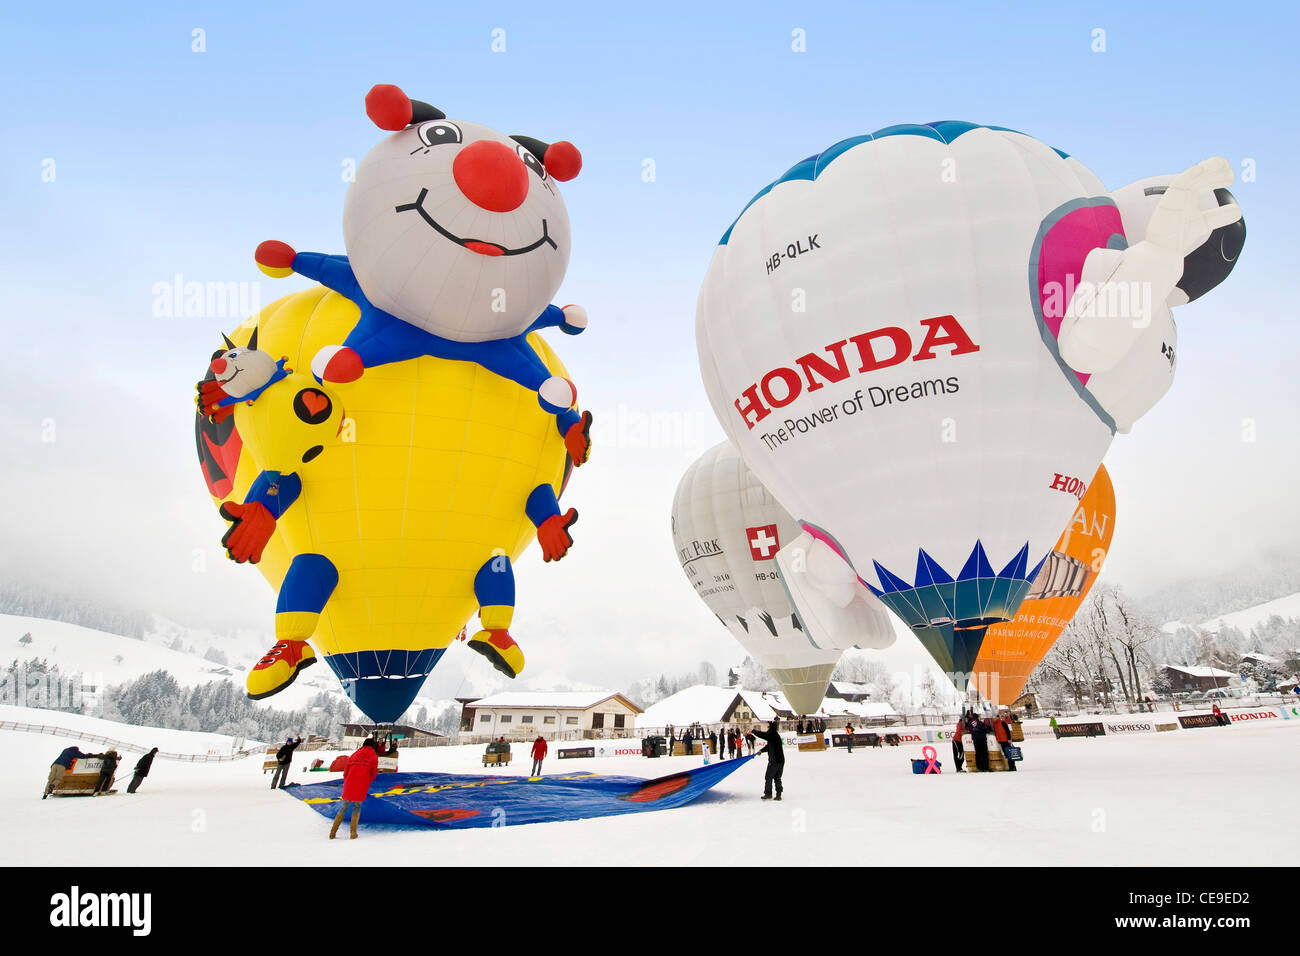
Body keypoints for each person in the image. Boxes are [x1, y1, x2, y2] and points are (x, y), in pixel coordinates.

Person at [330, 739, 379, 839]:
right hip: (362, 784)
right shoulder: (373, 756)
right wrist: (366, 781)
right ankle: (353, 833)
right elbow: (373, 774)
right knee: (357, 807)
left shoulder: (354, 754)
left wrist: (347, 779)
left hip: (350, 783)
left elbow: (346, 770)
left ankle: (333, 832)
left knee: (344, 806)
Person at [752, 720, 785, 800]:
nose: (767, 727)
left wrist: (753, 731)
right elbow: (769, 746)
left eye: (768, 726)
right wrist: (761, 751)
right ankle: (778, 795)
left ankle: (768, 794)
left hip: (774, 761)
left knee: (768, 777)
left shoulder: (772, 734)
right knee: (777, 778)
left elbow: (763, 735)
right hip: (781, 761)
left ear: (771, 727)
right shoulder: (775, 735)